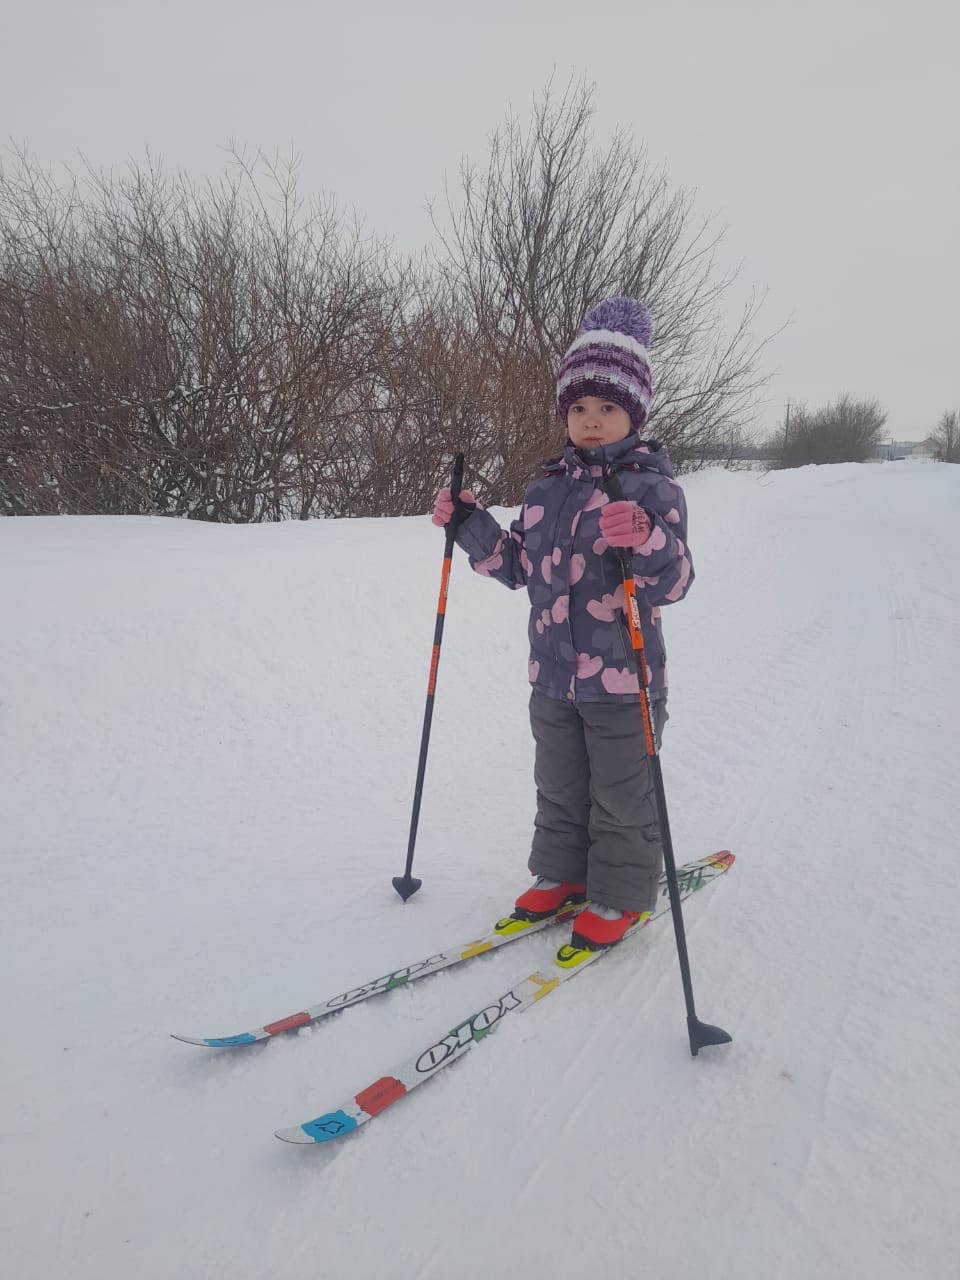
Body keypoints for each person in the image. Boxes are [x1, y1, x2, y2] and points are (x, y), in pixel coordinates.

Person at [432, 297, 694, 964]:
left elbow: (676, 581)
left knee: (621, 794)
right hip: (552, 676)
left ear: (635, 412)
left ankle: (622, 894)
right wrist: (469, 525)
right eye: (578, 407)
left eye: (607, 406)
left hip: (623, 682)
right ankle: (563, 875)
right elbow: (517, 565)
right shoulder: (545, 489)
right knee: (559, 786)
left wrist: (645, 536)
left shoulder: (651, 489)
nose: (591, 419)